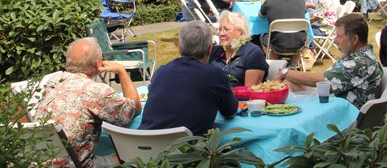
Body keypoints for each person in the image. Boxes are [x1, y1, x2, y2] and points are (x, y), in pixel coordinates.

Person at [34, 38, 141, 168]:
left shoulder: (53, 81)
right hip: (77, 165)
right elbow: (133, 109)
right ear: (98, 64)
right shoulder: (97, 91)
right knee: (131, 155)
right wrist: (121, 71)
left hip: (39, 162)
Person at [140, 20, 237, 136]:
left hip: (141, 143)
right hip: (186, 146)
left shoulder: (160, 72)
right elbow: (230, 112)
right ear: (210, 49)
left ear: (179, 48)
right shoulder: (215, 75)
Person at [274, 13, 382, 109]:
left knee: (287, 84)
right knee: (288, 83)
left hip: (342, 115)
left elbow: (319, 81)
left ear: (354, 39)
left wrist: (284, 72)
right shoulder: (361, 55)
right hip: (334, 102)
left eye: (339, 36)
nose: (335, 41)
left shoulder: (360, 63)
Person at [209, 11, 269, 87]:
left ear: (241, 32)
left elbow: (250, 90)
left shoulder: (253, 53)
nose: (221, 33)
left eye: (226, 29)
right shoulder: (215, 51)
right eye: (220, 29)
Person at [259, 0, 307, 68]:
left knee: (262, 36)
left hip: (277, 43)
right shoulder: (300, 1)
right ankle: (294, 64)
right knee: (299, 34)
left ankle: (274, 64)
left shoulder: (270, 1)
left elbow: (261, 15)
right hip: (299, 44)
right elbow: (304, 13)